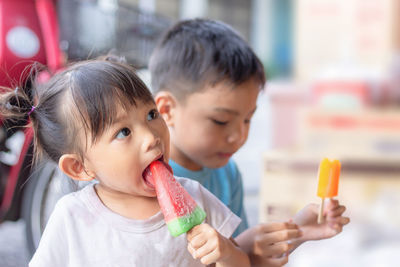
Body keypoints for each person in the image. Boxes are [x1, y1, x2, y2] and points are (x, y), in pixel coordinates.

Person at [0, 59, 250, 267]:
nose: (151, 137)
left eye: (151, 115)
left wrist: (226, 252)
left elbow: (242, 262)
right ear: (80, 167)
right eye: (123, 132)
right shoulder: (72, 217)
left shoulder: (195, 196)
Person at [149, 18, 350, 266]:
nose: (239, 136)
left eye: (248, 119)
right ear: (167, 109)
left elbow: (245, 259)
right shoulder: (142, 185)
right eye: (221, 121)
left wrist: (297, 231)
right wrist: (244, 245)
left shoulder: (227, 173)